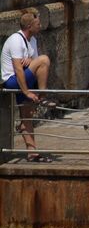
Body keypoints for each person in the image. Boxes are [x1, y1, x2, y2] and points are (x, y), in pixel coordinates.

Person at [2, 10, 54, 161]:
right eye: (38, 24)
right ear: (30, 26)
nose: (40, 26)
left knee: (27, 116)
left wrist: (31, 60)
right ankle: (43, 96)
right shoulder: (16, 40)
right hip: (12, 80)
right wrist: (26, 92)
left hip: (24, 77)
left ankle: (32, 153)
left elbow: (36, 66)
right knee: (45, 59)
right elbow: (18, 68)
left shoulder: (32, 40)